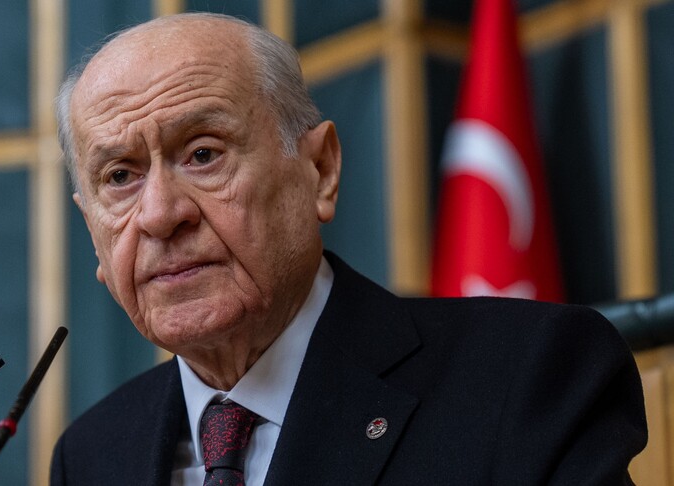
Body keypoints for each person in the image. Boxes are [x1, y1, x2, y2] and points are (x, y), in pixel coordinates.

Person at [51, 12, 647, 485]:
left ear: (320, 171)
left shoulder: (526, 375)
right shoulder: (91, 455)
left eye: (203, 154)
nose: (160, 215)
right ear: (93, 234)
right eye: (120, 177)